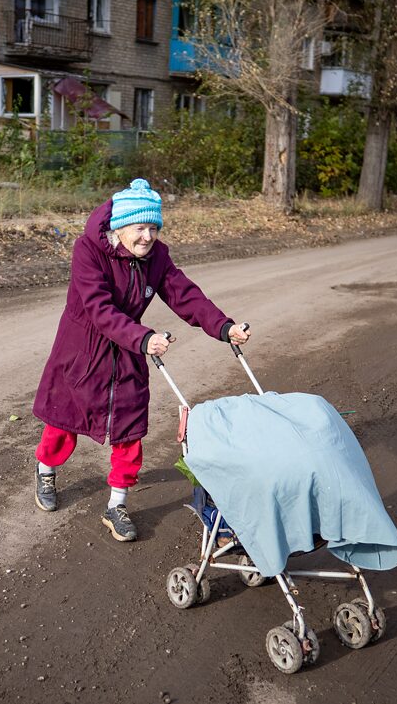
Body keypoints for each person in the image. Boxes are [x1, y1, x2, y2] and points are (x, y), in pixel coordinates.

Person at [31, 179, 249, 541]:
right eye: (140, 228)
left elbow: (185, 295)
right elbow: (99, 310)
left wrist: (223, 327)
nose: (147, 237)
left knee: (129, 430)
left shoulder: (156, 256)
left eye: (153, 228)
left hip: (130, 351)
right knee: (64, 423)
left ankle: (117, 504)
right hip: (83, 353)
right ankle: (46, 470)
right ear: (120, 227)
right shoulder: (88, 251)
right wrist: (144, 337)